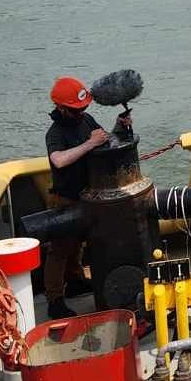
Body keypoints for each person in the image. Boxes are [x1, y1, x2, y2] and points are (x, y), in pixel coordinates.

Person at [43, 76, 131, 320]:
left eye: (83, 108)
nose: (81, 113)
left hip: (89, 195)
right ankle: (54, 299)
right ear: (62, 108)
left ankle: (76, 280)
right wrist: (89, 143)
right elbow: (58, 160)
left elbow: (103, 141)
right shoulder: (56, 133)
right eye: (76, 110)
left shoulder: (86, 120)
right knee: (60, 249)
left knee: (78, 245)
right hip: (66, 198)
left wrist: (118, 127)